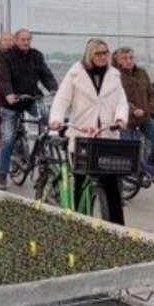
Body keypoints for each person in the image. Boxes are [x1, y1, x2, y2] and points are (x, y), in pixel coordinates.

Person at [49, 39, 129, 225]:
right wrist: (56, 119)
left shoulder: (114, 75)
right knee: (79, 181)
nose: (103, 57)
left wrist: (120, 118)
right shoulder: (75, 73)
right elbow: (62, 99)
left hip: (106, 134)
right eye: (98, 53)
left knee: (111, 186)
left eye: (105, 53)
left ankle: (119, 230)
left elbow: (121, 101)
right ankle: (77, 224)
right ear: (90, 54)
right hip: (82, 133)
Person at [0, 28, 59, 190]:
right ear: (16, 40)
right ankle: (2, 175)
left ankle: (45, 146)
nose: (26, 42)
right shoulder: (6, 56)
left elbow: (46, 74)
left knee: (47, 115)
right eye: (23, 39)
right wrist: (9, 94)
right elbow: (4, 78)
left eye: (28, 40)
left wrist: (54, 88)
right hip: (11, 102)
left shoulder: (36, 55)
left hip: (31, 98)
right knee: (8, 138)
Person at [111, 47, 154, 172]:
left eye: (131, 57)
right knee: (131, 148)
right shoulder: (115, 76)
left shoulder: (142, 72)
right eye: (124, 58)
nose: (129, 61)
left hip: (144, 117)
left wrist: (150, 108)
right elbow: (119, 98)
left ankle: (146, 168)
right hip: (126, 119)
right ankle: (136, 170)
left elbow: (151, 92)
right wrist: (133, 110)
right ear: (118, 61)